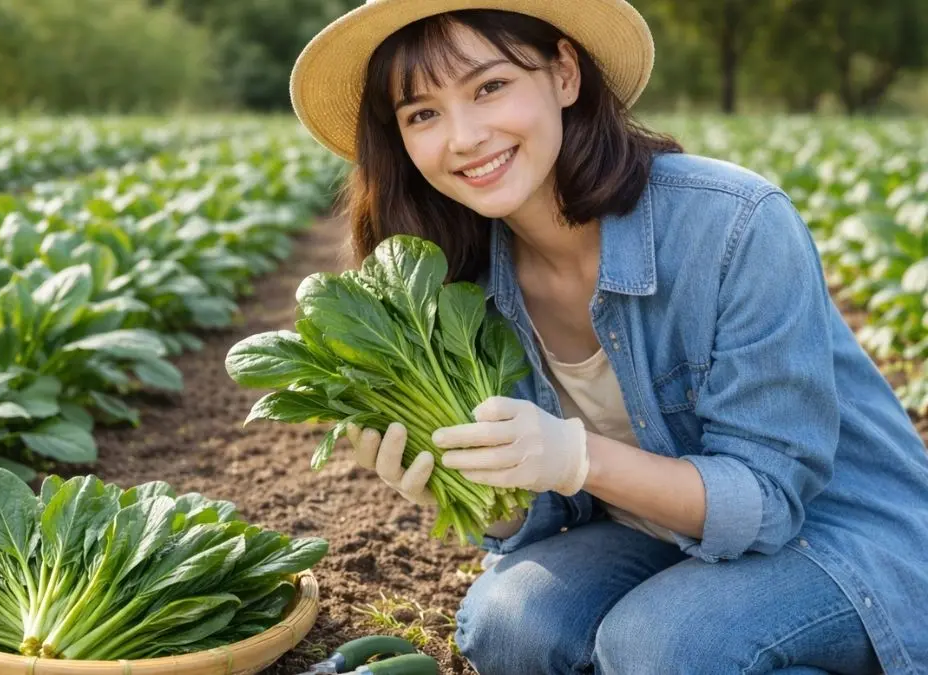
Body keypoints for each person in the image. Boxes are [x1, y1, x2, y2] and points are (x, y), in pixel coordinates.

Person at [288, 1, 928, 674]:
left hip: (832, 531)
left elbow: (767, 503)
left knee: (661, 644)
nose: (464, 137)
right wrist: (467, 485)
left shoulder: (735, 225)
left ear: (565, 75)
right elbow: (543, 510)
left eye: (490, 87)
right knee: (508, 625)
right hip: (651, 533)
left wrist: (575, 455)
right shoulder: (462, 273)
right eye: (423, 113)